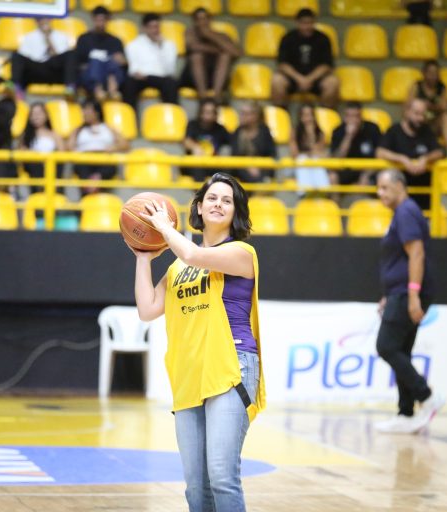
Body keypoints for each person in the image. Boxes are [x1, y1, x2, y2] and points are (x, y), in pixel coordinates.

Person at [128, 172, 265, 512]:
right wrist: (143, 257)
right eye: (212, 198)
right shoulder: (177, 267)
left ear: (236, 212)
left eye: (227, 200)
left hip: (231, 365)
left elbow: (191, 253)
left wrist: (163, 228)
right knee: (196, 487)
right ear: (199, 208)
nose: (218, 204)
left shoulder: (241, 252)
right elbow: (147, 309)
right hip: (191, 371)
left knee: (221, 476)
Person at [373, 168, 444, 434]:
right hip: (399, 291)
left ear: (400, 185)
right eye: (378, 188)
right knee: (401, 350)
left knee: (386, 346)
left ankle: (427, 396)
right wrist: (388, 294)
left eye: (384, 188)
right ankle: (405, 413)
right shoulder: (402, 213)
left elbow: (416, 253)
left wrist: (413, 294)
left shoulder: (406, 212)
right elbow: (400, 260)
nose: (380, 193)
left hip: (407, 292)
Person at [376, 99, 444, 211]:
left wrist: (425, 159)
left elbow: (439, 152)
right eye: (416, 114)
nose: (420, 118)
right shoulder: (394, 131)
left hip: (423, 194)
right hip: (399, 195)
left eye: (423, 114)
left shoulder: (426, 131)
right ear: (407, 112)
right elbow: (380, 152)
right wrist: (402, 159)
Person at [271, 8, 339, 109]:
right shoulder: (287, 38)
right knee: (277, 80)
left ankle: (326, 114)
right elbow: (282, 64)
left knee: (333, 82)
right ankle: (281, 113)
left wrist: (309, 79)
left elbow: (326, 65)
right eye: (304, 23)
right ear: (297, 23)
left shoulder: (323, 38)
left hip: (316, 79)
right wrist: (299, 79)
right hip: (293, 78)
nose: (307, 26)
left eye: (310, 23)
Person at [179, 8, 242, 104]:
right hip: (193, 79)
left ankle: (216, 98)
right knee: (197, 56)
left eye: (205, 18)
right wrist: (218, 49)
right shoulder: (190, 33)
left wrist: (209, 35)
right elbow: (193, 47)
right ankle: (203, 99)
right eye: (199, 19)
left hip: (216, 78)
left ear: (210, 20)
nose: (202, 22)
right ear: (194, 22)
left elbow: (236, 53)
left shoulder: (221, 36)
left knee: (225, 56)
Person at [67, 99, 129, 196]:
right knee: (81, 167)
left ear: (97, 112)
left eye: (88, 110)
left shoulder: (109, 128)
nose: (84, 113)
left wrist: (114, 148)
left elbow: (125, 145)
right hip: (85, 160)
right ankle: (92, 185)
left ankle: (94, 182)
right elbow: (69, 147)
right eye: (83, 110)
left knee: (111, 167)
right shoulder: (78, 130)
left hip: (104, 159)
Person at [10, 18, 76, 100]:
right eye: (41, 19)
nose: (44, 21)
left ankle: (70, 87)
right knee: (16, 55)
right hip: (35, 70)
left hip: (53, 70)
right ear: (36, 21)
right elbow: (24, 58)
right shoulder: (29, 37)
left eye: (47, 18)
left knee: (71, 54)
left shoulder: (61, 36)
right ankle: (16, 87)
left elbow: (60, 60)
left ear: (51, 20)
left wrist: (48, 39)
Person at [123, 13, 179, 110]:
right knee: (129, 84)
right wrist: (137, 73)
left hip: (161, 78)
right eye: (151, 27)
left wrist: (161, 47)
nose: (155, 30)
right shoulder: (134, 44)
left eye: (157, 26)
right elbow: (133, 67)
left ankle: (171, 114)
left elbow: (170, 70)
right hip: (142, 77)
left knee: (171, 84)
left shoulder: (169, 45)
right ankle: (130, 115)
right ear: (144, 28)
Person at [74, 6, 127, 102]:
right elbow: (78, 62)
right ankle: (98, 89)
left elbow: (123, 63)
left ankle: (112, 88)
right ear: (93, 19)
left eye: (103, 20)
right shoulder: (84, 39)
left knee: (112, 63)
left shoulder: (115, 41)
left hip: (110, 74)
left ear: (108, 20)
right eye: (98, 20)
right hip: (89, 75)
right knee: (95, 62)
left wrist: (122, 61)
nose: (100, 23)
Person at [406, 60, 447, 155]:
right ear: (424, 73)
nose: (433, 76)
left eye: (436, 73)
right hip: (419, 121)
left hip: (434, 123)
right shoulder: (416, 86)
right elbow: (408, 106)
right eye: (430, 73)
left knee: (445, 117)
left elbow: (445, 107)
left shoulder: (442, 87)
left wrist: (429, 106)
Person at [330, 102, 382, 187]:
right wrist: (348, 136)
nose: (353, 120)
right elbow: (336, 159)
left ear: (361, 117)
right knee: (332, 176)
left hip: (368, 169)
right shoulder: (338, 131)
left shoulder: (372, 129)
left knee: (372, 179)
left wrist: (367, 173)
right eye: (349, 116)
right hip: (346, 169)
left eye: (356, 116)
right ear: (345, 117)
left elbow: (379, 156)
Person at [182, 98, 232, 182]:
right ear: (200, 112)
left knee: (226, 171)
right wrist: (195, 147)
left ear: (215, 114)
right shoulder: (193, 124)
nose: (206, 115)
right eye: (205, 112)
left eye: (210, 112)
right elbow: (186, 141)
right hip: (195, 163)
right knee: (198, 168)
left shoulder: (220, 129)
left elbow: (232, 142)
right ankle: (199, 190)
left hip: (212, 163)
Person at [19, 102, 65, 193]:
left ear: (46, 115)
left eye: (39, 113)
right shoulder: (26, 136)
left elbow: (62, 153)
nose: (36, 116)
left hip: (51, 167)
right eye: (33, 114)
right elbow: (21, 152)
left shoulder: (54, 135)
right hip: (34, 167)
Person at [230, 101, 277, 183]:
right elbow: (234, 155)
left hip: (261, 168)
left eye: (245, 114)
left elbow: (271, 154)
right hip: (241, 169)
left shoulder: (264, 131)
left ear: (255, 116)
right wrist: (248, 165)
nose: (241, 116)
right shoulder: (237, 131)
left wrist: (258, 166)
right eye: (241, 113)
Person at [289, 104, 330, 193]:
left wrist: (311, 135)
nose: (307, 119)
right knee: (302, 159)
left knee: (316, 160)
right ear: (300, 117)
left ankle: (322, 191)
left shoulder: (320, 133)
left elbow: (320, 153)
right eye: (305, 115)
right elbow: (294, 155)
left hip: (315, 161)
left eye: (310, 115)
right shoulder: (295, 132)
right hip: (297, 164)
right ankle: (305, 192)